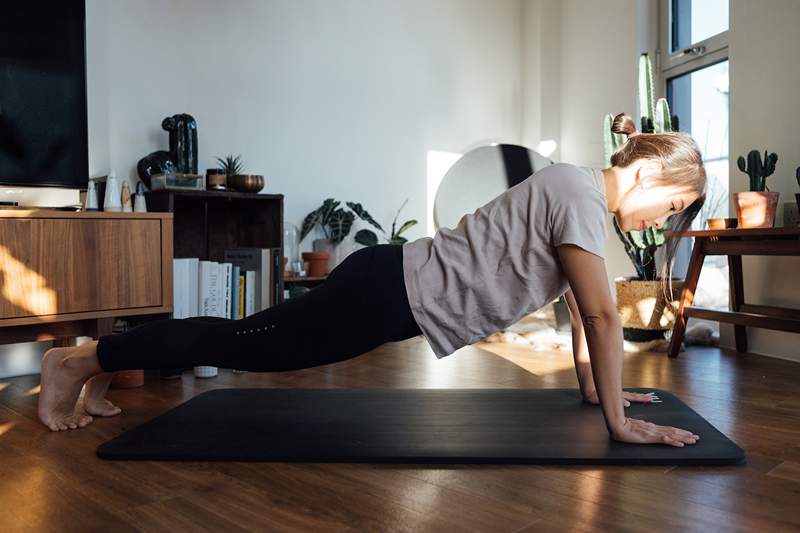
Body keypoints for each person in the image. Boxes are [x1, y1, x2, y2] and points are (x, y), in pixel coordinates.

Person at [38, 113, 705, 449]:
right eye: (672, 207)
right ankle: (79, 359)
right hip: (383, 292)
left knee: (242, 340)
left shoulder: (577, 193)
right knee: (241, 344)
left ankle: (94, 368)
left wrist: (598, 391)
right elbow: (602, 316)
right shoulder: (581, 198)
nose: (660, 221)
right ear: (650, 175)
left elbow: (575, 307)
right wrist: (619, 422)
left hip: (388, 286)